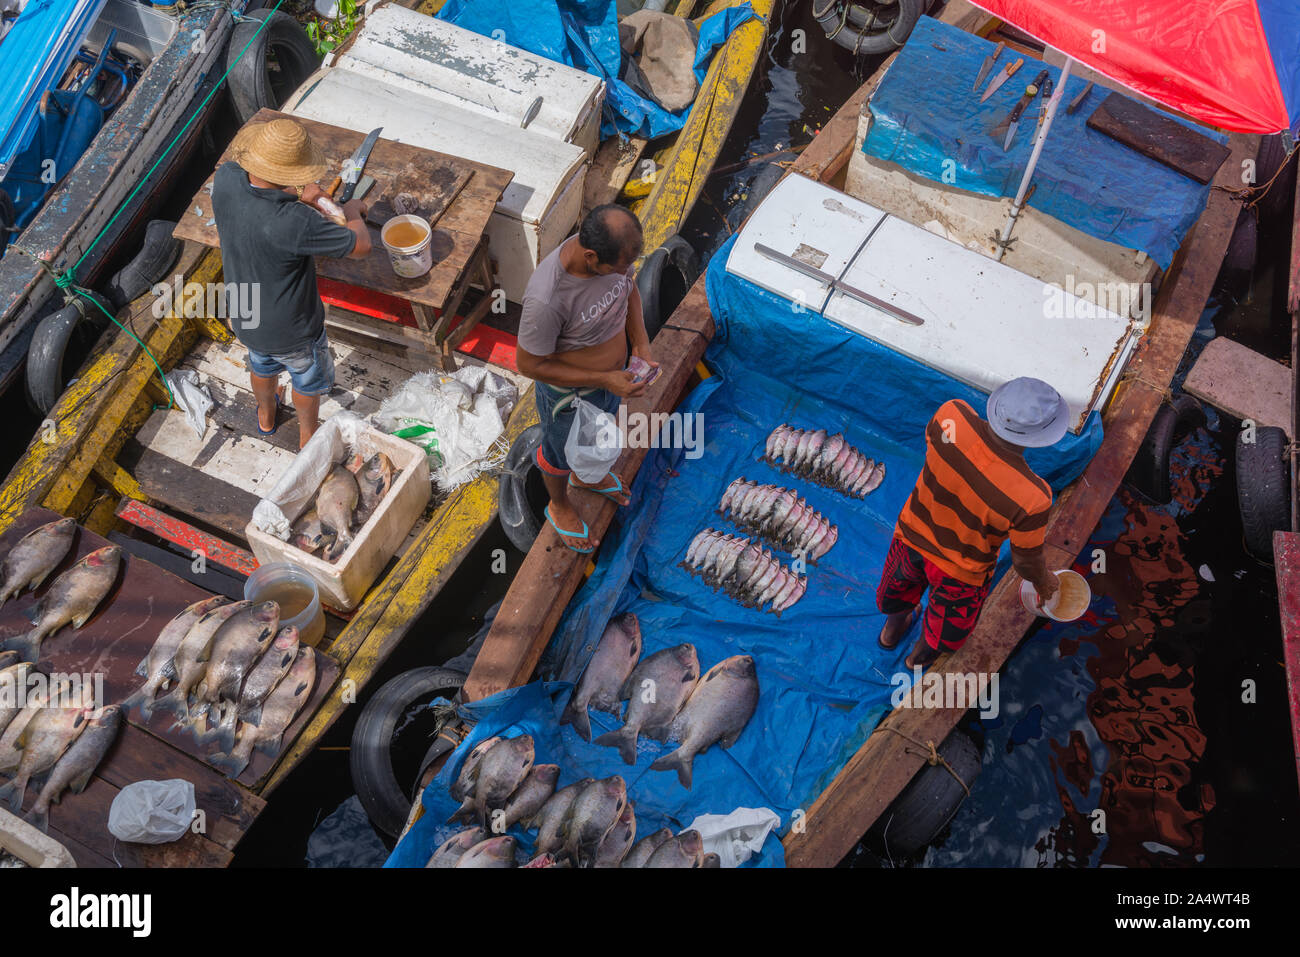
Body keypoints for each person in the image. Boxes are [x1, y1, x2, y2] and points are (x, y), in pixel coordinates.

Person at [877, 377, 1067, 669]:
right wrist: (1045, 583)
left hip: (910, 538)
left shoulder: (951, 415)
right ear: (1040, 437)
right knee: (944, 630)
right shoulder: (1033, 496)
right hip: (961, 574)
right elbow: (1025, 562)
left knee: (898, 590)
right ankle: (916, 659)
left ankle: (890, 635)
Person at [211, 117, 371, 448]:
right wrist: (353, 212)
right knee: (308, 381)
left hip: (245, 311)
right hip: (292, 329)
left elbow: (262, 195)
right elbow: (360, 247)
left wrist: (303, 192)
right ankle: (307, 435)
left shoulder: (226, 178)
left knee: (261, 365)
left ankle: (266, 416)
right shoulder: (294, 222)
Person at [515, 204, 656, 553]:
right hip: (570, 396)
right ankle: (559, 505)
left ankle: (586, 475)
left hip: (613, 379)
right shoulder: (547, 298)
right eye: (619, 266)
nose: (626, 272)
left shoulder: (615, 261)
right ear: (591, 256)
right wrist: (603, 378)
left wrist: (640, 343)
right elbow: (529, 365)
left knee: (600, 430)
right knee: (559, 452)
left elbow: (630, 289)